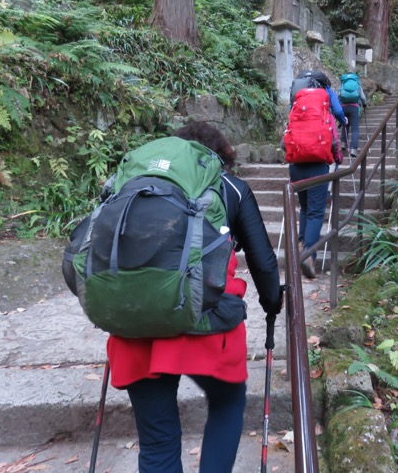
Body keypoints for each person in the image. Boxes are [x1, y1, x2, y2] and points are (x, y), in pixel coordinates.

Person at [105, 120, 282, 473]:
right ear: (220, 156)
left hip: (135, 321)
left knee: (157, 443)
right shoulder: (230, 186)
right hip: (206, 319)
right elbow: (263, 261)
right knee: (228, 405)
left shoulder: (136, 182)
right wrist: (273, 304)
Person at [286, 71, 345, 280]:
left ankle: (302, 243)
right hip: (318, 165)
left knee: (304, 208)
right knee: (316, 212)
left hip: (296, 165)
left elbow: (287, 135)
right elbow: (334, 137)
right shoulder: (324, 104)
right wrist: (338, 158)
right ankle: (309, 254)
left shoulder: (296, 103)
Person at [338, 71, 367, 156]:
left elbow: (339, 95)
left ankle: (343, 142)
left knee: (345, 124)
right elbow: (362, 97)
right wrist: (364, 104)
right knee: (355, 129)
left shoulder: (343, 83)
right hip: (354, 107)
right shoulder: (357, 83)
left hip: (344, 107)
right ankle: (353, 149)